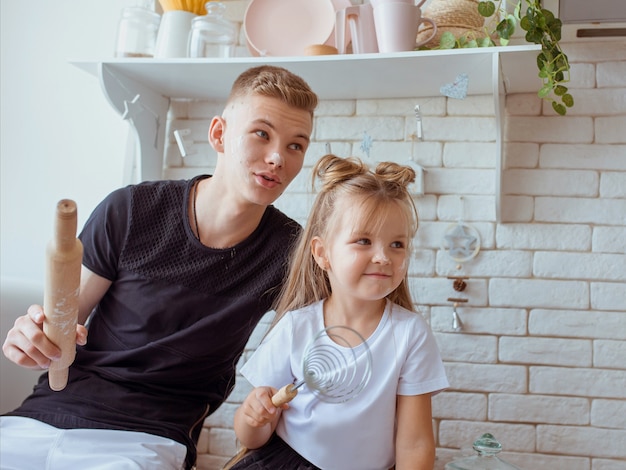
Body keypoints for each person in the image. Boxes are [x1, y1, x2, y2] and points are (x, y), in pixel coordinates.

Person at [1, 65, 318, 470]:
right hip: (46, 415)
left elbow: (336, 330)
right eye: (262, 133)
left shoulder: (289, 253)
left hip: (150, 439)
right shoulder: (130, 210)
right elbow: (61, 322)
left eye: (296, 146)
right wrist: (31, 336)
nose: (278, 158)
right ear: (220, 134)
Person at [228, 154, 449, 470]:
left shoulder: (410, 334)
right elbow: (253, 438)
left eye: (397, 244)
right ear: (322, 253)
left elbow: (415, 444)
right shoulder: (296, 327)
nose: (383, 257)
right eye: (364, 240)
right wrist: (252, 418)